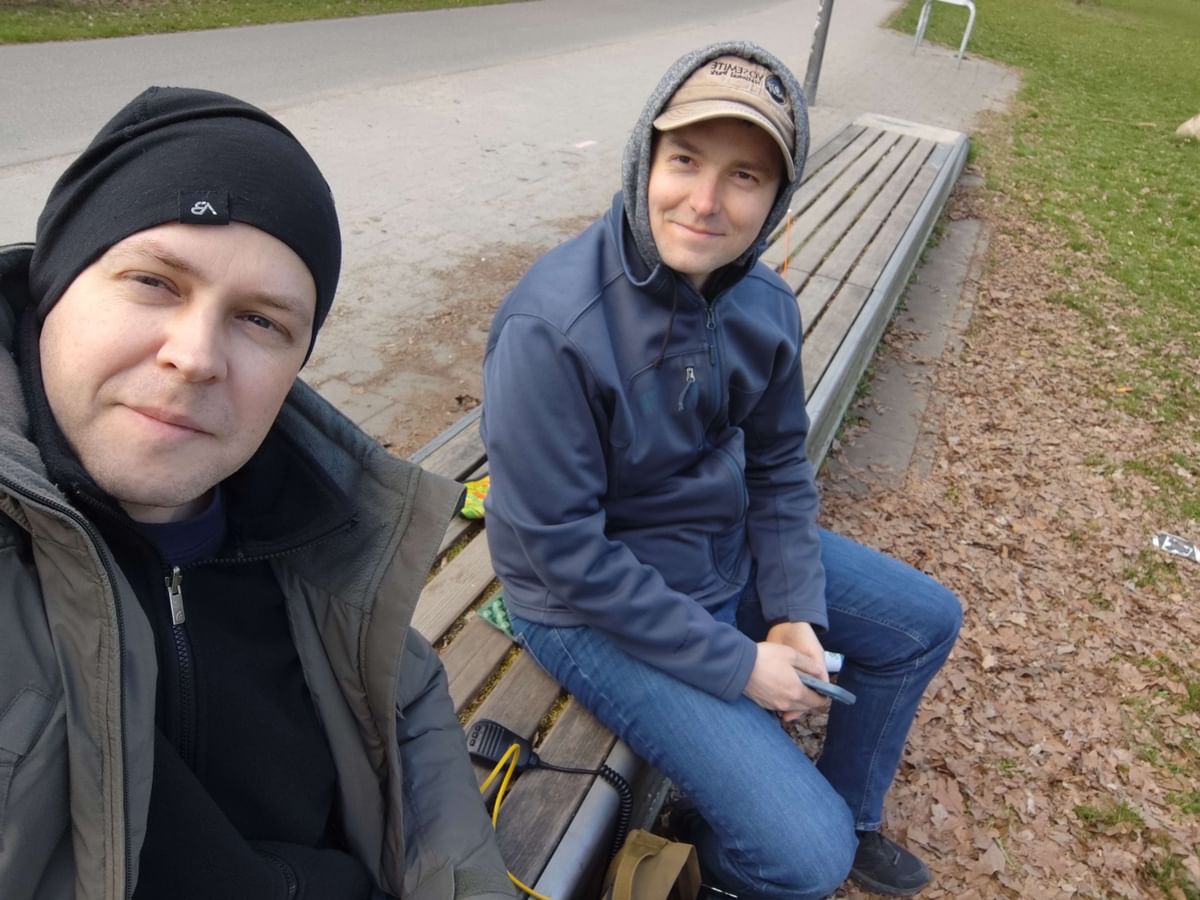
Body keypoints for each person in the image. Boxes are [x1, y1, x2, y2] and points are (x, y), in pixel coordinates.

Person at [0, 87, 515, 900]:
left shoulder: (323, 540)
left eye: (261, 321)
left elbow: (413, 719)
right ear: (54, 287)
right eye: (153, 281)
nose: (196, 356)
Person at [481, 43, 963, 899]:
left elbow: (777, 467)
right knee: (800, 861)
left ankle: (848, 815)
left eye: (744, 176)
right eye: (685, 161)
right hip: (582, 606)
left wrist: (793, 609)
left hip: (714, 547)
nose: (705, 202)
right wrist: (739, 665)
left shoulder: (762, 304)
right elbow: (564, 554)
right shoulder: (552, 327)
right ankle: (725, 862)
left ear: (777, 198)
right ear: (645, 158)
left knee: (924, 621)